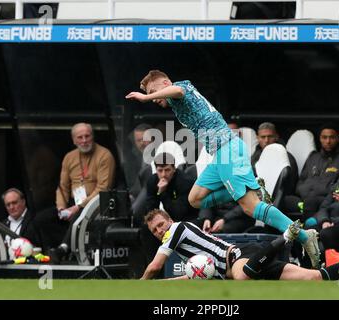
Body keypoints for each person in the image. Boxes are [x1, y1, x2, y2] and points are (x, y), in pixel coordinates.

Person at [126, 69, 321, 268]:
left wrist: (145, 96)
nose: (152, 98)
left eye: (153, 91)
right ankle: (255, 188)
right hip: (219, 156)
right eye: (149, 94)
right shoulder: (177, 98)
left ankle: (305, 236)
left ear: (165, 83)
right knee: (195, 199)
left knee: (250, 207)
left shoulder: (180, 87)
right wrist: (151, 93)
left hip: (228, 149)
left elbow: (176, 90)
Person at [140, 209, 339, 281]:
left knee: (240, 277)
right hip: (255, 262)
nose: (159, 231)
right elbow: (186, 279)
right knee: (315, 279)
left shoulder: (176, 229)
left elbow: (154, 266)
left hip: (241, 256)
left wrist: (138, 287)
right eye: (154, 230)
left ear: (169, 221)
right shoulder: (187, 248)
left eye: (160, 225)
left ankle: (284, 238)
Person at [36, 123, 116, 261]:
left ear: (93, 136)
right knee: (42, 219)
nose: (84, 140)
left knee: (78, 216)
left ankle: (64, 248)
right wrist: (61, 208)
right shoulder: (69, 157)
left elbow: (103, 188)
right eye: (80, 137)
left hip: (96, 205)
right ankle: (51, 252)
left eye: (87, 136)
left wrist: (77, 207)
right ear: (74, 140)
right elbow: (63, 186)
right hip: (73, 204)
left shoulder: (105, 155)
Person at [283, 123, 339, 219]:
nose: (328, 141)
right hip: (304, 199)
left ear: (338, 138)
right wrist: (303, 191)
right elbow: (302, 180)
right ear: (320, 139)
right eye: (324, 137)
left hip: (327, 200)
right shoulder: (313, 156)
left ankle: (308, 232)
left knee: (310, 202)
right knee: (283, 200)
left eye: (332, 137)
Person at [250, 122, 298, 189]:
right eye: (263, 137)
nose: (266, 140)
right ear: (258, 138)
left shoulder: (287, 158)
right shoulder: (254, 156)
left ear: (276, 137)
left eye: (270, 136)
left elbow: (290, 186)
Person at [124, 123, 153, 200]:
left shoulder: (161, 157)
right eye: (138, 140)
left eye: (144, 139)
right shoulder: (132, 160)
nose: (142, 143)